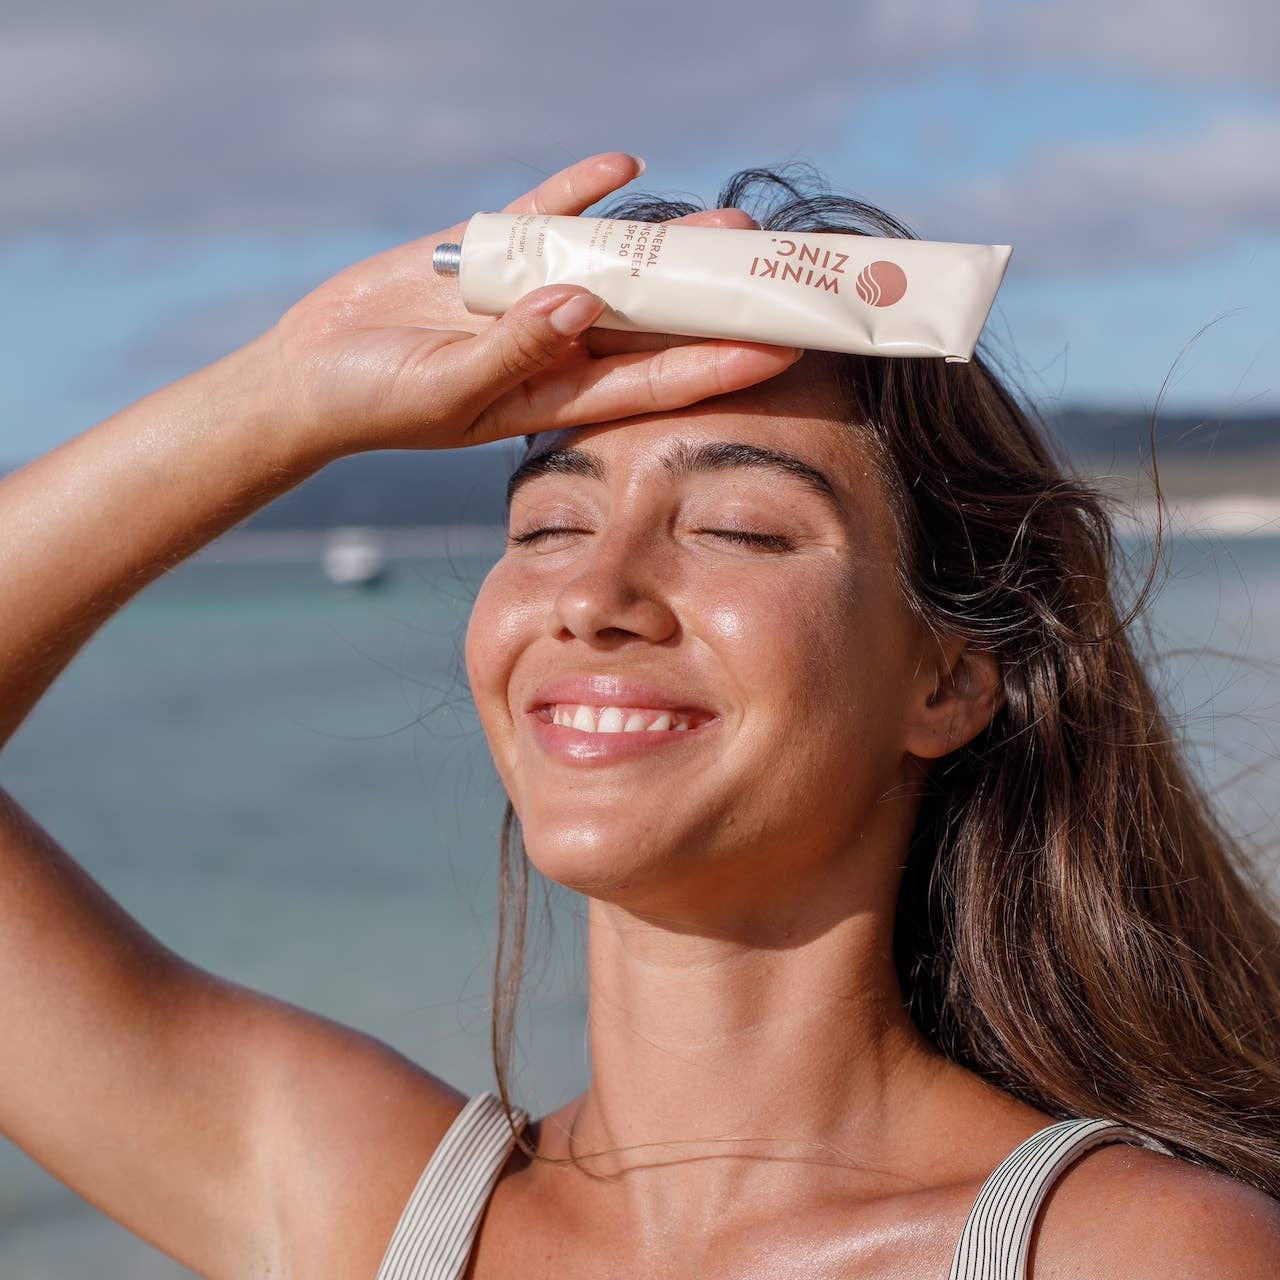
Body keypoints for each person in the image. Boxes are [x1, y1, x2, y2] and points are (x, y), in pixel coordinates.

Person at [1, 151, 1278, 1280]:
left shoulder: (1131, 1252)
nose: (593, 596)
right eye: (548, 525)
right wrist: (288, 393)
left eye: (736, 526)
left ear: (942, 676)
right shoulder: (372, 1214)